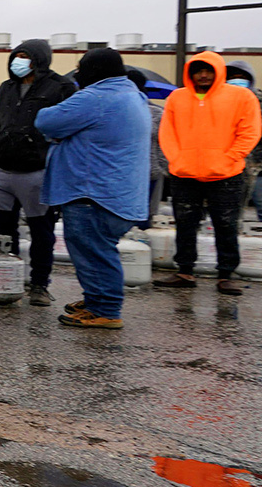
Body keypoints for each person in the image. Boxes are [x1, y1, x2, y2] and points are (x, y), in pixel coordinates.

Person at [37, 49, 151, 329]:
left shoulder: (97, 97)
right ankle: (96, 299)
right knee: (98, 250)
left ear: (95, 69)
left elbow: (45, 121)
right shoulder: (133, 95)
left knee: (94, 252)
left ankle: (106, 309)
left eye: (81, 68)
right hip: (119, 194)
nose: (77, 74)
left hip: (93, 193)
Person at [153, 51, 261, 297]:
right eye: (198, 70)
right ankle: (185, 271)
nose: (203, 75)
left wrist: (230, 158)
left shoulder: (241, 96)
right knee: (184, 224)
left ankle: (226, 275)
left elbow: (250, 131)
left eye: (208, 70)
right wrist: (177, 160)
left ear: (218, 71)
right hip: (185, 173)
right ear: (190, 73)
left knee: (226, 225)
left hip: (227, 174)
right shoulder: (177, 98)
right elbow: (167, 134)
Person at [0, 39, 76, 307]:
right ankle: (5, 282)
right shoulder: (6, 88)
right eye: (16, 56)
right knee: (1, 232)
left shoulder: (61, 87)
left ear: (41, 59)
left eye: (25, 57)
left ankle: (39, 285)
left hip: (37, 171)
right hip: (0, 170)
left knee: (41, 232)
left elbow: (69, 128)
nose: (18, 62)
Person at [131, 69, 167, 224]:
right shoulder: (116, 110)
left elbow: (164, 144)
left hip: (150, 174)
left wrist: (163, 169)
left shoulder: (157, 113)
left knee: (144, 218)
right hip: (123, 174)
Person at [227, 60, 262, 215]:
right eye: (233, 77)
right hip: (228, 164)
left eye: (241, 77)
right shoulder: (220, 102)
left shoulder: (258, 101)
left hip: (256, 164)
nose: (237, 80)